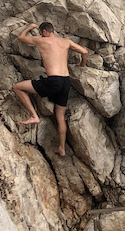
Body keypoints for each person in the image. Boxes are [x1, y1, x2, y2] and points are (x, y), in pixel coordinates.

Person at [12, 22, 88, 157]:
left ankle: (33, 116)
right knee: (60, 117)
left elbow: (21, 38)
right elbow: (85, 52)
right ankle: (62, 148)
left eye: (41, 32)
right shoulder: (66, 42)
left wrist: (29, 27)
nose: (40, 35)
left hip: (53, 81)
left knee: (17, 87)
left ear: (44, 32)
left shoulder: (41, 41)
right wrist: (82, 65)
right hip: (66, 81)